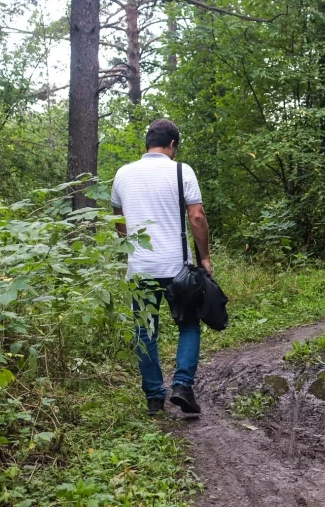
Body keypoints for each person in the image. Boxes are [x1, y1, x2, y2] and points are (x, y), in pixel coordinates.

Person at [111, 119, 211, 416]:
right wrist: (204, 258)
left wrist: (134, 249)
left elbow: (119, 222)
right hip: (177, 268)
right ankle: (182, 385)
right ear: (172, 146)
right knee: (189, 324)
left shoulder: (122, 174)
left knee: (146, 331)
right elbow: (196, 217)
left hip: (140, 268)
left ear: (147, 144)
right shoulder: (182, 170)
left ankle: (155, 397)